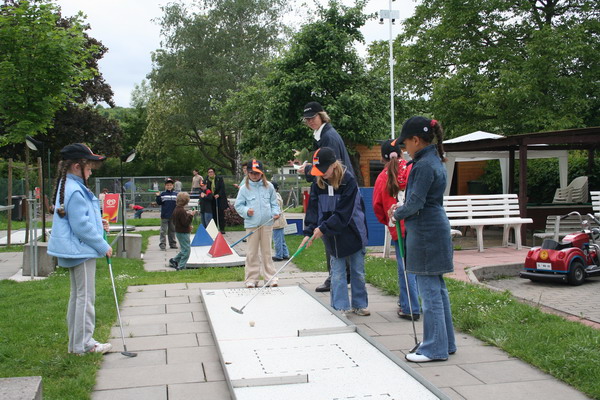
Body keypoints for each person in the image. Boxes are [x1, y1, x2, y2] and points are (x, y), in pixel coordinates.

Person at [392, 116, 457, 363]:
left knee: (429, 292)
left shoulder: (422, 165)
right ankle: (445, 343)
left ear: (416, 140)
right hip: (434, 228)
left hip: (426, 232)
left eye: (405, 143)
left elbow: (416, 203)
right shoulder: (434, 160)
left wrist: (397, 212)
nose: (404, 148)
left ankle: (433, 349)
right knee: (438, 290)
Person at [47, 143, 113, 355]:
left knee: (78, 297)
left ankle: (77, 345)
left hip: (76, 249)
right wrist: (103, 246)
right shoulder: (75, 189)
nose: (91, 171)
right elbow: (80, 226)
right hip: (81, 250)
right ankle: (84, 344)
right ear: (77, 166)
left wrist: (98, 223)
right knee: (85, 298)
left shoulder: (69, 186)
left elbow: (81, 218)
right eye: (89, 167)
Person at [301, 147, 370, 316]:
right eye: (319, 171)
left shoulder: (349, 182)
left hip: (353, 232)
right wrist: (309, 232)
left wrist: (322, 228)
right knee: (337, 273)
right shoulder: (318, 184)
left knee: (357, 272)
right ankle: (340, 307)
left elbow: (344, 214)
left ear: (334, 165)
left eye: (324, 170)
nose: (322, 174)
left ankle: (359, 304)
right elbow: (313, 210)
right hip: (332, 236)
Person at [298, 101, 354, 293]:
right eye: (307, 119)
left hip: (336, 190)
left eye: (313, 117)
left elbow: (331, 168)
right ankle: (340, 276)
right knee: (330, 231)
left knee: (332, 232)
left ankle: (337, 277)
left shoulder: (328, 137)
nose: (310, 121)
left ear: (322, 115)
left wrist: (307, 170)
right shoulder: (324, 135)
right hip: (334, 188)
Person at [372, 139, 420, 321]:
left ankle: (410, 307)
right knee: (416, 267)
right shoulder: (411, 170)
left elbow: (377, 206)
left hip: (397, 227)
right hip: (416, 224)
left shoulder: (382, 177)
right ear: (401, 153)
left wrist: (388, 220)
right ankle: (409, 302)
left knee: (404, 268)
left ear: (383, 159)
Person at [234, 159, 281, 288]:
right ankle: (251, 278)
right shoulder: (244, 188)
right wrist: (246, 211)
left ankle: (270, 277)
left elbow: (274, 204)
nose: (255, 175)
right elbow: (238, 205)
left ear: (262, 173)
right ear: (248, 173)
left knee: (267, 251)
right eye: (252, 173)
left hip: (267, 223)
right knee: (252, 252)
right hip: (251, 224)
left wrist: (276, 213)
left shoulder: (269, 186)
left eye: (257, 173)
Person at [169, 192, 196, 270]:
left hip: (179, 231)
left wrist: (188, 227)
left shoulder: (176, 209)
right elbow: (185, 223)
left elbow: (178, 222)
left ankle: (174, 260)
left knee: (184, 249)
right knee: (187, 251)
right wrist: (191, 215)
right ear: (186, 202)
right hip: (183, 233)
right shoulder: (182, 211)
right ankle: (181, 267)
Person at [156, 177, 178, 250]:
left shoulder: (176, 194)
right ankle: (162, 244)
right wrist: (158, 196)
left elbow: (178, 204)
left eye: (170, 185)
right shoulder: (163, 194)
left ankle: (173, 244)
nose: (169, 186)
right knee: (163, 231)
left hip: (173, 215)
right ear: (165, 186)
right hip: (165, 215)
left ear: (173, 186)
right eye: (167, 185)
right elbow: (159, 202)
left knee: (172, 230)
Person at [271, 182, 290, 261]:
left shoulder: (274, 196)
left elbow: (276, 208)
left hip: (277, 221)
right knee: (281, 239)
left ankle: (279, 255)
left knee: (277, 239)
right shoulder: (277, 194)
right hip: (280, 221)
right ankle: (285, 254)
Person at [206, 167, 227, 234]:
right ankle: (215, 228)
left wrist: (218, 194)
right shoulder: (206, 180)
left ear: (214, 172)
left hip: (219, 198)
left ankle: (222, 228)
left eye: (211, 172)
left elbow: (222, 188)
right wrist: (210, 194)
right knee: (214, 214)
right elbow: (206, 189)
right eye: (209, 172)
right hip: (212, 199)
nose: (210, 173)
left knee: (220, 213)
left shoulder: (219, 178)